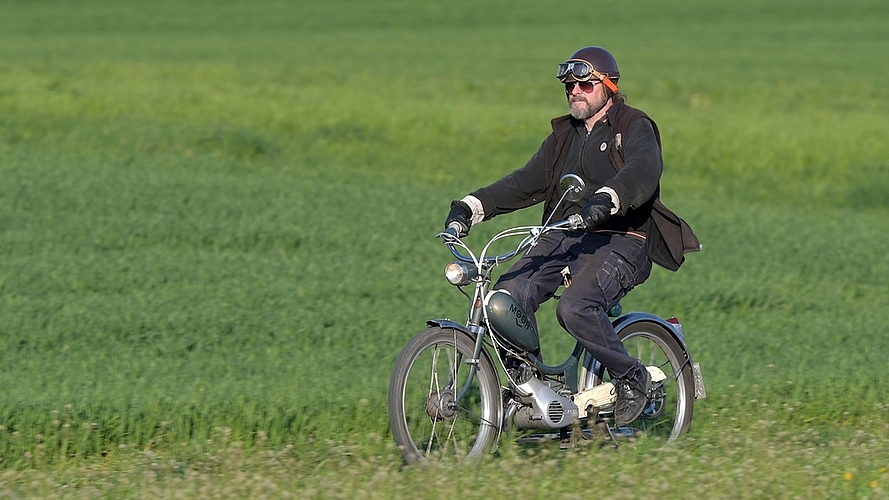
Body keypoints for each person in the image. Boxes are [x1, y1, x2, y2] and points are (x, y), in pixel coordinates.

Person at [444, 46, 663, 426]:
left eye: (584, 84)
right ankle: (534, 393)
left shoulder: (633, 125)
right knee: (503, 300)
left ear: (608, 87)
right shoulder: (565, 137)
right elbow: (524, 183)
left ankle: (633, 378)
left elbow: (643, 170)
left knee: (575, 307)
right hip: (565, 233)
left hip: (623, 238)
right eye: (569, 86)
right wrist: (470, 207)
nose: (575, 91)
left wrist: (608, 199)